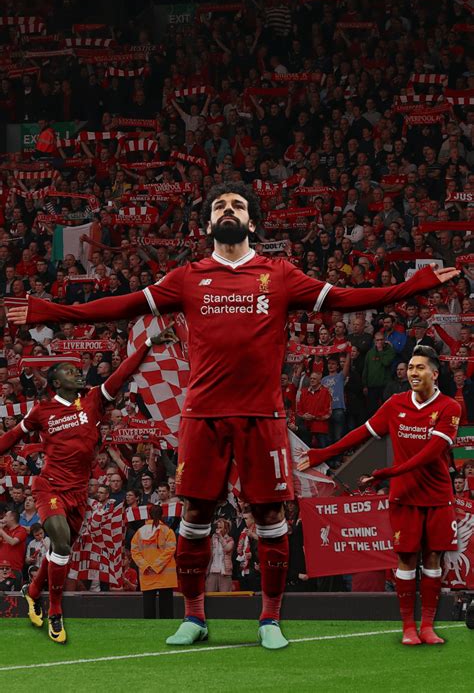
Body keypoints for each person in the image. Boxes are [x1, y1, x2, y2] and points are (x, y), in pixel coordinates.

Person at [6, 181, 460, 650]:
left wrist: (414, 285)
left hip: (262, 417)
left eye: (237, 205)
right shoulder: (188, 277)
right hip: (202, 416)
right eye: (220, 205)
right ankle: (194, 616)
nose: (228, 210)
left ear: (252, 222)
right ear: (208, 224)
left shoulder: (279, 274)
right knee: (195, 514)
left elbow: (348, 297)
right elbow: (120, 306)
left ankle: (270, 620)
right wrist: (48, 310)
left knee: (270, 515)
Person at [0, 332, 170, 644]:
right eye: (69, 371)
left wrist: (147, 344)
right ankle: (55, 611)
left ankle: (32, 591)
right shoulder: (41, 411)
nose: (77, 372)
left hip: (79, 493)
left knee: (60, 550)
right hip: (49, 487)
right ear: (56, 382)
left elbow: (122, 373)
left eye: (77, 370)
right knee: (60, 540)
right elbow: (12, 437)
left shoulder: (92, 400)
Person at [298, 346, 462, 646]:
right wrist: (325, 452)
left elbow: (431, 454)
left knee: (433, 558)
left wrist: (389, 472)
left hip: (437, 495)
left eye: (420, 368)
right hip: (404, 495)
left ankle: (428, 626)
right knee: (406, 558)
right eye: (410, 367)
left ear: (434, 374)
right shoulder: (395, 404)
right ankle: (408, 627)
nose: (413, 373)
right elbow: (362, 432)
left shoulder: (449, 407)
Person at [131, 504, 177, 619]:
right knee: (166, 612)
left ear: (148, 515)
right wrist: (157, 566)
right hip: (165, 576)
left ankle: (148, 629)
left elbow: (135, 552)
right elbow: (170, 550)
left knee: (148, 610)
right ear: (162, 515)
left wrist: (146, 566)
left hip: (147, 574)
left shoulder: (140, 532)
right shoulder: (168, 531)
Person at [0, 509, 28, 590]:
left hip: (14, 569)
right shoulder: (4, 530)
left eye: (6, 516)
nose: (4, 518)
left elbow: (13, 542)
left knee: (14, 595)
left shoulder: (21, 530)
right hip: (1, 569)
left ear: (12, 518)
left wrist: (1, 531)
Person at [206, 519, 234, 592]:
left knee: (225, 596)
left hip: (225, 572)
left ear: (225, 529)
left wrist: (220, 537)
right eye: (217, 527)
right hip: (213, 571)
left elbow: (227, 549)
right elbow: (210, 555)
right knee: (209, 595)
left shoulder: (230, 540)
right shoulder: (213, 538)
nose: (218, 530)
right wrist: (207, 570)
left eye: (220, 527)